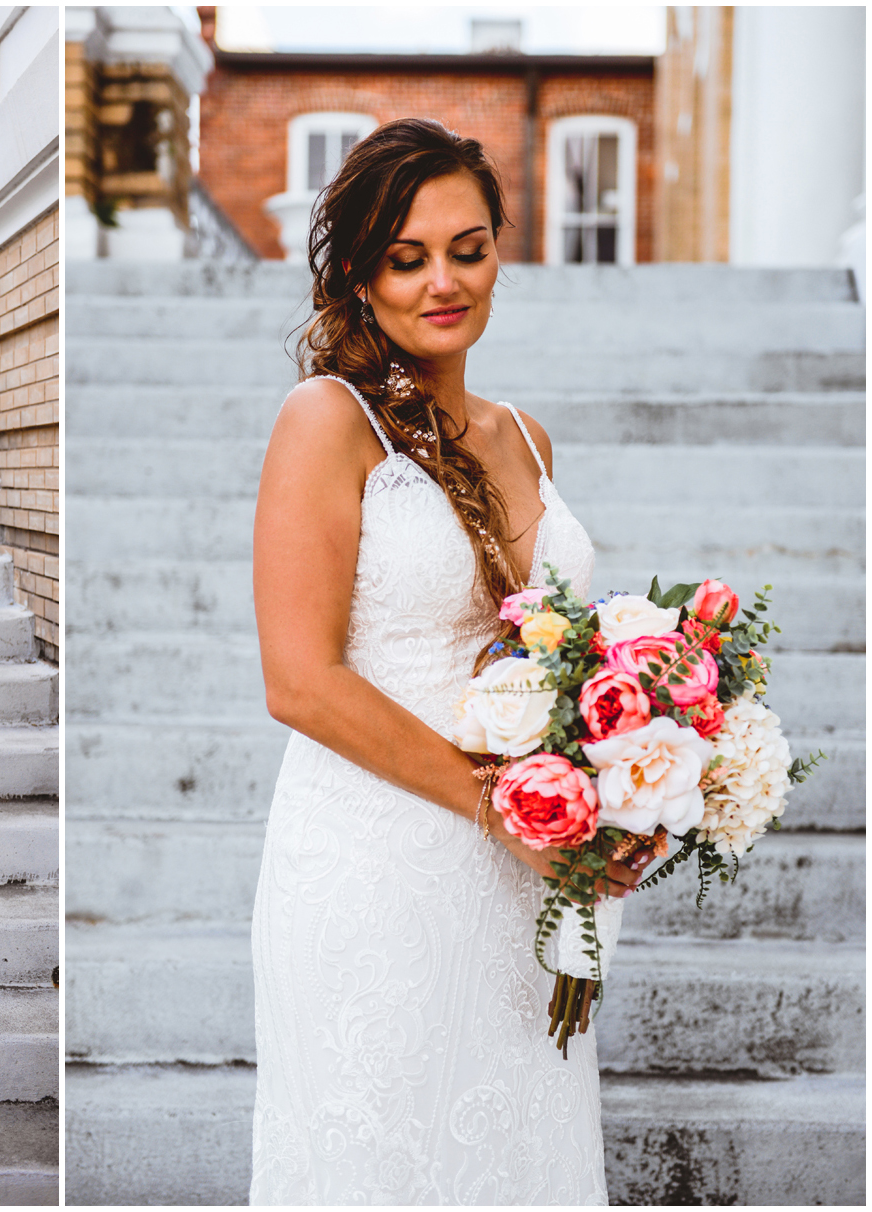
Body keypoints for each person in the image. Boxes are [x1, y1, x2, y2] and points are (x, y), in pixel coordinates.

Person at [248, 118, 641, 1205]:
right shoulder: (326, 422)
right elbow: (300, 681)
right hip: (376, 858)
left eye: (467, 248)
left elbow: (558, 653)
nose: (442, 281)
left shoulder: (525, 437)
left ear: (500, 250)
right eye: (405, 257)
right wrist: (502, 810)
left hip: (525, 874)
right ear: (360, 276)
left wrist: (626, 782)